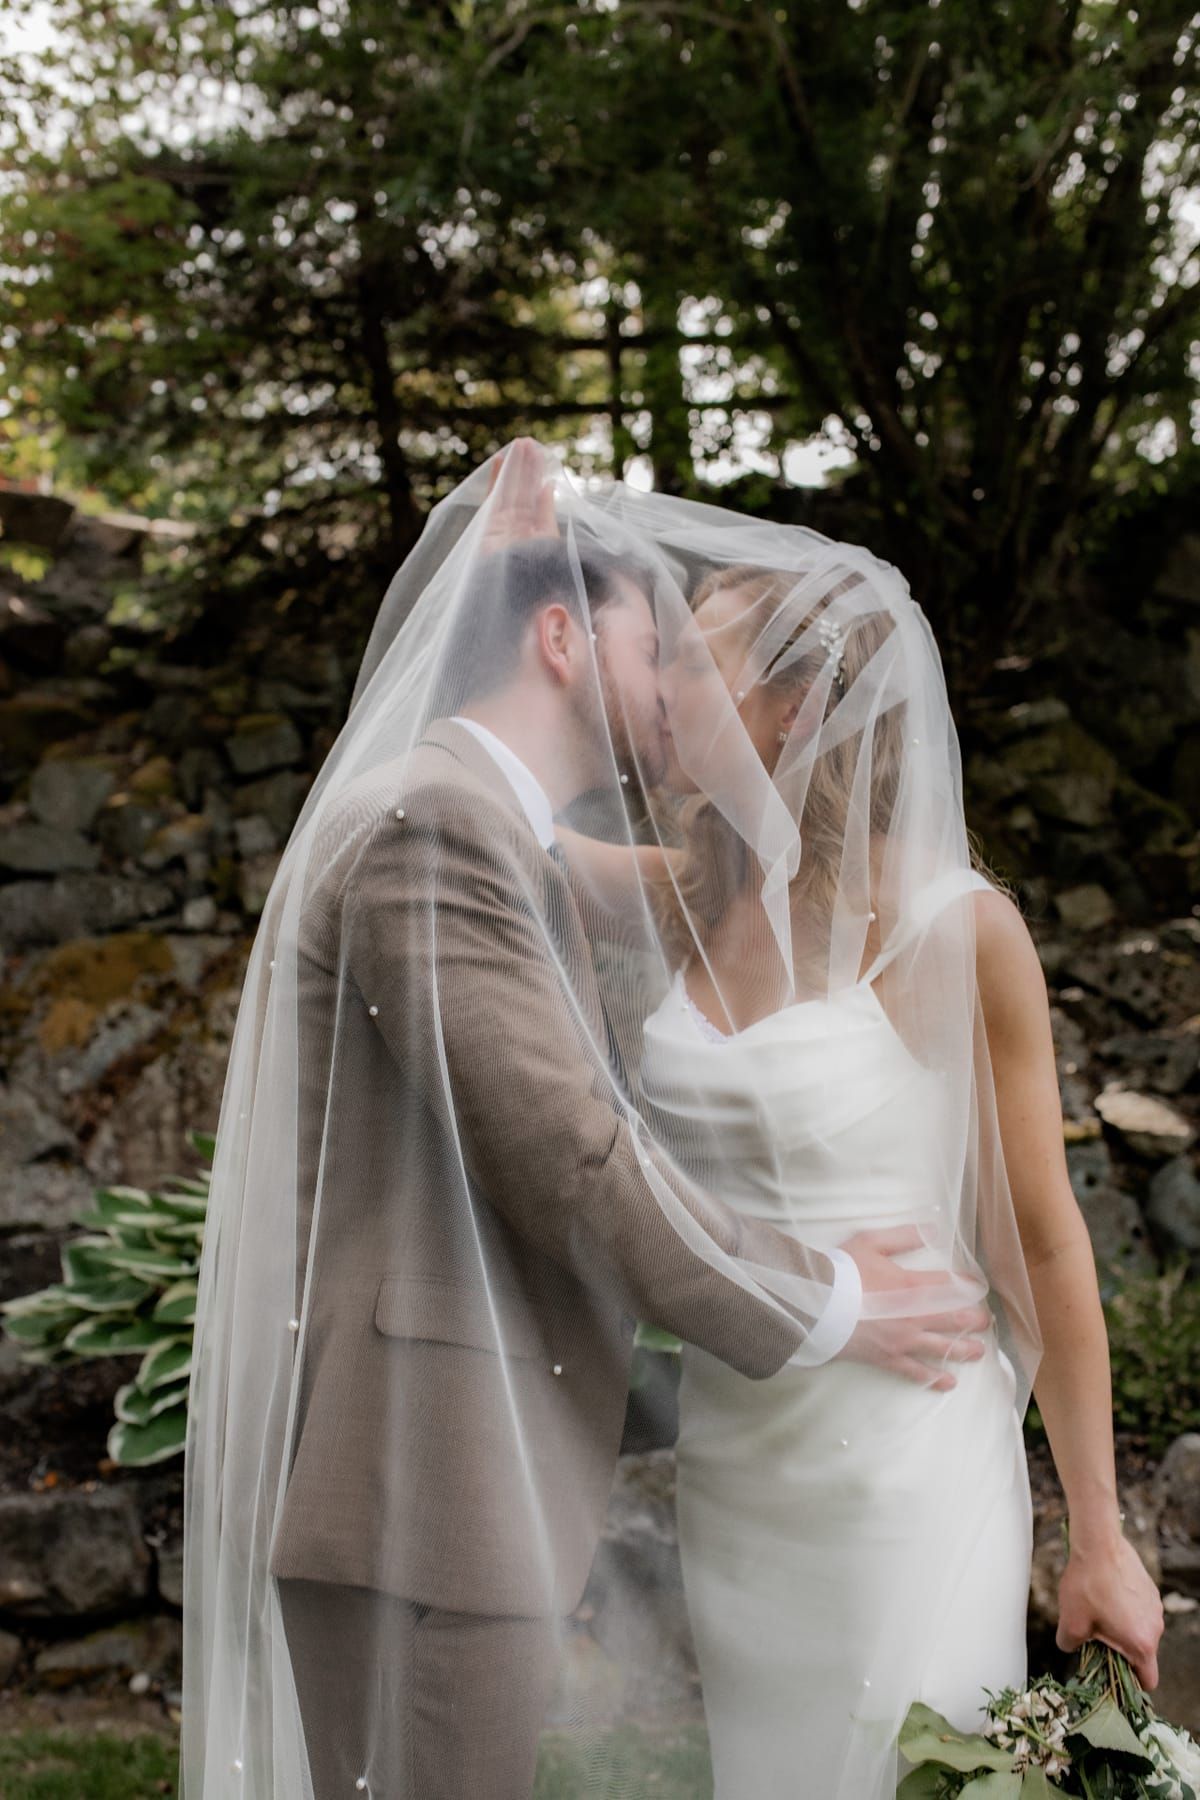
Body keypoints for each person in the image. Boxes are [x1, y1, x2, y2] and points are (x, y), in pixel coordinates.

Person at [179, 440, 995, 1800]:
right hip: (418, 1493)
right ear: (560, 634)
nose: (674, 684)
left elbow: (673, 882)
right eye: (649, 637)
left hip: (448, 1498)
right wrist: (836, 1301)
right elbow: (566, 1154)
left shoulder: (486, 829)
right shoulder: (430, 829)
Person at [560, 546, 1165, 1798]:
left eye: (689, 656)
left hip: (906, 1467)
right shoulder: (687, 900)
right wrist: (512, 558)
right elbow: (486, 827)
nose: (661, 682)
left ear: (790, 705)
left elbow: (1042, 1248)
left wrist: (1100, 1538)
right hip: (741, 1464)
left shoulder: (957, 927)